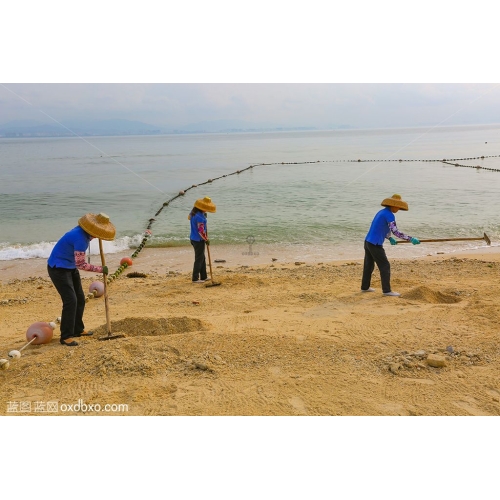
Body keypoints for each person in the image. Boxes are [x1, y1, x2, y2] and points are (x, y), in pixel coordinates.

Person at [47, 213, 116, 346]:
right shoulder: (80, 239)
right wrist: (100, 269)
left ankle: (77, 329)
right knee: (71, 301)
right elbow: (81, 264)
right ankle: (66, 336)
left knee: (80, 298)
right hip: (58, 269)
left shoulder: (83, 233)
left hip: (70, 267)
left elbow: (76, 264)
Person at [361, 194, 420, 297]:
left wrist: (389, 237)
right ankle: (387, 291)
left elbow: (383, 228)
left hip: (368, 242)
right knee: (385, 266)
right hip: (375, 244)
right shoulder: (389, 215)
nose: (398, 209)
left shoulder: (382, 212)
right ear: (393, 205)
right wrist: (411, 239)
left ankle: (365, 287)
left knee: (369, 265)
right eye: (398, 207)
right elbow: (396, 231)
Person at [189, 197, 216, 283]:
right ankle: (195, 278)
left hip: (193, 238)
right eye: (206, 209)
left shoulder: (193, 213)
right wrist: (206, 239)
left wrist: (203, 216)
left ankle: (203, 276)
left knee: (202, 258)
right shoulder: (200, 217)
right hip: (198, 240)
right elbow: (201, 231)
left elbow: (189, 217)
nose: (207, 210)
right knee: (199, 259)